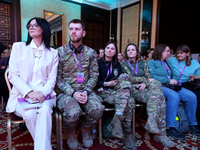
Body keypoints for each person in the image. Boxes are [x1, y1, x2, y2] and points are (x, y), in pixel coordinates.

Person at [6, 17, 58, 150]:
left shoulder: (53, 53)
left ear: (44, 29)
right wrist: (29, 92)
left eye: (35, 25)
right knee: (30, 114)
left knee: (45, 110)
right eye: (29, 25)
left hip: (44, 94)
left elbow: (52, 79)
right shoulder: (18, 47)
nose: (31, 27)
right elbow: (13, 75)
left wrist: (42, 93)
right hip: (22, 94)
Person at [56, 19, 104, 149]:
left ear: (83, 33)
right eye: (71, 29)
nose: (73, 31)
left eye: (77, 29)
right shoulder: (60, 52)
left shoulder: (90, 52)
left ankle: (86, 129)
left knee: (98, 109)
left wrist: (86, 91)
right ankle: (70, 132)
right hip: (66, 92)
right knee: (73, 113)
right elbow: (57, 78)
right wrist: (73, 93)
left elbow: (94, 75)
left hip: (86, 90)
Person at [121, 43, 176, 148]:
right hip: (132, 89)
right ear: (126, 53)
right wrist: (143, 81)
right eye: (128, 50)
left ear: (137, 52)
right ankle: (156, 128)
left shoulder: (143, 63)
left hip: (145, 88)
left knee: (158, 92)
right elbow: (127, 79)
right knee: (159, 97)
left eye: (133, 49)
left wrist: (144, 83)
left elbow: (150, 77)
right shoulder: (124, 64)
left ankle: (159, 132)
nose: (131, 51)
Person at [147, 44, 200, 139]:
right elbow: (153, 76)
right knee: (174, 96)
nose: (169, 53)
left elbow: (174, 74)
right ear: (160, 51)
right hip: (159, 85)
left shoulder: (167, 62)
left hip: (171, 86)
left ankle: (193, 124)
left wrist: (175, 80)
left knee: (192, 96)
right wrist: (168, 80)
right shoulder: (152, 62)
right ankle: (170, 126)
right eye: (167, 51)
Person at [96, 41, 137, 150]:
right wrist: (106, 83)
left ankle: (125, 129)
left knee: (130, 98)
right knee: (129, 101)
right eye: (107, 48)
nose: (109, 50)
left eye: (112, 49)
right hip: (101, 90)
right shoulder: (97, 63)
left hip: (115, 90)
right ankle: (123, 129)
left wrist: (119, 80)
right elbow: (93, 81)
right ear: (104, 50)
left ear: (115, 52)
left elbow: (119, 79)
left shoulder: (117, 65)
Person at [167, 45, 200, 128]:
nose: (179, 55)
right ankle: (192, 121)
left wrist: (195, 77)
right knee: (194, 96)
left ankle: (197, 121)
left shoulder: (194, 63)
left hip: (189, 82)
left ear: (188, 53)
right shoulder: (171, 60)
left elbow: (199, 74)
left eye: (181, 53)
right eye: (177, 53)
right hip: (176, 84)